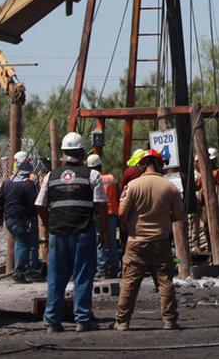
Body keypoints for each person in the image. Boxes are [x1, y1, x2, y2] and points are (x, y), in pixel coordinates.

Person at [36, 131, 108, 333]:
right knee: (83, 276)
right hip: (83, 232)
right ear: (83, 152)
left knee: (55, 278)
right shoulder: (93, 175)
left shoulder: (51, 176)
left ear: (64, 153)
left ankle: (52, 321)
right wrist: (104, 232)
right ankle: (83, 320)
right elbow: (101, 206)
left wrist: (49, 224)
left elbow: (40, 205)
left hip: (57, 234)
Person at [114, 149, 184, 331]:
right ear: (160, 164)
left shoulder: (133, 185)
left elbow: (121, 212)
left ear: (143, 164)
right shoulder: (170, 187)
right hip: (161, 241)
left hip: (136, 242)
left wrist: (129, 225)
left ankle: (122, 322)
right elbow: (178, 215)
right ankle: (169, 321)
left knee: (129, 283)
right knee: (164, 282)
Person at [0, 151, 41, 281]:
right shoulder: (27, 184)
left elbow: (0, 201)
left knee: (19, 242)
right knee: (23, 244)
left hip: (9, 219)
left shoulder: (7, 183)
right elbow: (35, 203)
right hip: (21, 220)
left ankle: (23, 268)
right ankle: (20, 271)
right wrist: (33, 218)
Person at [88, 153, 121, 278]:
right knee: (112, 241)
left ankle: (102, 269)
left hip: (99, 214)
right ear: (100, 166)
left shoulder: (93, 179)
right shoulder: (111, 178)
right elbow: (118, 193)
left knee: (99, 241)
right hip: (112, 213)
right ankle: (114, 268)